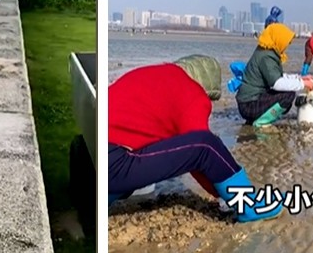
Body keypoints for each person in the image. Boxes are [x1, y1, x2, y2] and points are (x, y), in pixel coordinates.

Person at [109, 55, 285, 223]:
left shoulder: (156, 74)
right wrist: (218, 192)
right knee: (208, 145)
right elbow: (200, 152)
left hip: (97, 151)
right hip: (113, 161)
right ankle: (248, 204)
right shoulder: (193, 92)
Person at [237, 23, 313, 127]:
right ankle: (261, 122)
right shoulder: (267, 57)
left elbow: (277, 76)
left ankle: (256, 119)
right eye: (287, 43)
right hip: (249, 105)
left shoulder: (267, 52)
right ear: (279, 39)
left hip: (249, 101)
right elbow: (277, 83)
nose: (287, 46)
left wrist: (300, 78)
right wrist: (303, 84)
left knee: (287, 92)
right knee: (288, 95)